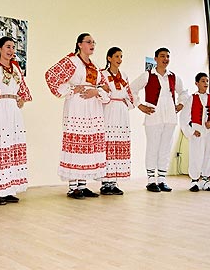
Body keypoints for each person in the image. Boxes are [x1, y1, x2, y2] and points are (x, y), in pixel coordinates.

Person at [45, 33, 110, 199]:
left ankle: (83, 184)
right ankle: (73, 187)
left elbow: (105, 87)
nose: (92, 44)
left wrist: (96, 91)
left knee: (88, 144)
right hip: (77, 106)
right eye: (88, 42)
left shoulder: (94, 66)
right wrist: (73, 89)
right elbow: (51, 76)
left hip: (93, 107)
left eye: (94, 42)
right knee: (76, 143)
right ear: (80, 44)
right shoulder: (71, 61)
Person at [130, 47, 188, 192]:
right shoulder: (147, 75)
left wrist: (181, 104)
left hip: (170, 116)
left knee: (165, 148)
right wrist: (139, 105)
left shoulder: (173, 76)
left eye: (168, 56)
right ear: (155, 58)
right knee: (152, 147)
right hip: (153, 116)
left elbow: (184, 92)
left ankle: (162, 179)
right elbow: (131, 89)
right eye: (162, 56)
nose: (165, 59)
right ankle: (151, 180)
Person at [0, 36, 32, 205]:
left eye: (13, 47)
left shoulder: (16, 68)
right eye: (7, 47)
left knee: (12, 147)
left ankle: (8, 189)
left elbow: (23, 89)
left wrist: (21, 98)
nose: (11, 50)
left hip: (13, 110)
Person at [99, 46, 134, 195]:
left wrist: (127, 102)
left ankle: (113, 182)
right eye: (117, 56)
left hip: (121, 111)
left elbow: (129, 94)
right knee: (108, 143)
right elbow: (101, 92)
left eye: (121, 57)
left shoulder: (124, 75)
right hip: (109, 109)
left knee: (119, 143)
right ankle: (105, 182)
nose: (119, 60)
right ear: (109, 58)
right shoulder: (102, 74)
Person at [179, 72, 210, 192]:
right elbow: (184, 118)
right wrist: (191, 131)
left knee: (209, 154)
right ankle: (194, 181)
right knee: (196, 155)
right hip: (197, 130)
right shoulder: (191, 98)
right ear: (196, 83)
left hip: (209, 131)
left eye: (207, 81)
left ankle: (206, 180)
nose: (206, 83)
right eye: (203, 81)